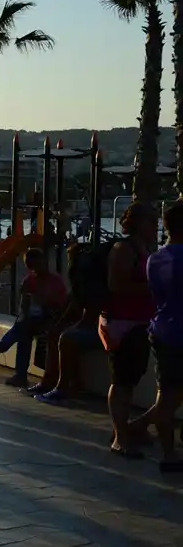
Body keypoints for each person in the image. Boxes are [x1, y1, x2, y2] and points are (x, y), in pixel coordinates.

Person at [100, 202, 158, 459]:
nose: (155, 225)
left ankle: (124, 429)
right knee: (122, 382)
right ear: (138, 223)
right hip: (122, 324)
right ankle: (120, 437)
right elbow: (116, 285)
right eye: (150, 221)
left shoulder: (144, 249)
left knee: (131, 379)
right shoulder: (123, 249)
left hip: (139, 323)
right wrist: (154, 287)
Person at [136, 200, 183, 472]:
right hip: (179, 333)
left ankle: (163, 446)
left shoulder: (155, 259)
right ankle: (169, 455)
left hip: (162, 329)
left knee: (168, 393)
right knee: (168, 399)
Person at [0, 248, 67, 388]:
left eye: (36, 264)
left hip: (51, 319)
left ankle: (3, 351)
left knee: (23, 329)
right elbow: (23, 306)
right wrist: (25, 315)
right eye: (31, 266)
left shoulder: (55, 281)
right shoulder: (29, 281)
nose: (35, 268)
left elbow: (60, 307)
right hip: (35, 320)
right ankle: (19, 374)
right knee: (24, 331)